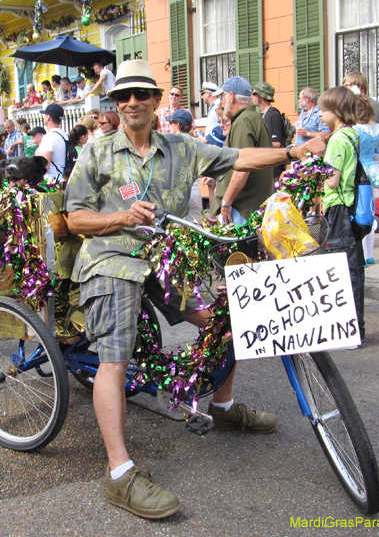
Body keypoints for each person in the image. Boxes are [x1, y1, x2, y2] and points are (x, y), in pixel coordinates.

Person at [64, 59, 325, 519]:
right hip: (111, 261)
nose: (131, 103)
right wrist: (122, 217)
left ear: (157, 100)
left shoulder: (182, 147)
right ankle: (120, 474)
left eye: (141, 94)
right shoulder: (97, 153)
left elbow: (240, 158)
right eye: (122, 96)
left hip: (165, 258)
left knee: (226, 318)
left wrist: (293, 153)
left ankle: (221, 406)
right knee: (116, 358)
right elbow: (74, 218)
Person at [319, 86, 367, 341]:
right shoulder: (352, 134)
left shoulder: (337, 139)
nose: (319, 114)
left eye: (324, 110)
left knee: (344, 270)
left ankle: (351, 331)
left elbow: (332, 181)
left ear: (336, 111)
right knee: (351, 267)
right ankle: (351, 328)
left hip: (338, 208)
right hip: (349, 208)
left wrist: (314, 171)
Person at [212, 77, 275, 225]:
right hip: (250, 206)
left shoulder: (243, 122)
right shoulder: (253, 118)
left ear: (231, 96)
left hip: (242, 208)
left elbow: (242, 167)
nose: (221, 101)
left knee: (239, 249)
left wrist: (226, 202)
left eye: (223, 96)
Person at [354, 95, 379, 265]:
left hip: (359, 171)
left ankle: (361, 254)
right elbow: (378, 153)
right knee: (370, 212)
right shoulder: (378, 128)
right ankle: (369, 253)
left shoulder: (356, 129)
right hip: (373, 169)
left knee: (360, 212)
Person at [166, 108, 204, 222]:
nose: (169, 126)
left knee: (176, 229)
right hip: (195, 188)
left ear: (177, 124)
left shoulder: (170, 143)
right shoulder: (198, 143)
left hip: (177, 191)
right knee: (196, 229)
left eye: (171, 123)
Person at [35, 103, 69, 180]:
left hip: (52, 182)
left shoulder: (49, 137)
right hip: (64, 179)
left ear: (48, 117)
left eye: (45, 115)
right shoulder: (65, 135)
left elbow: (45, 165)